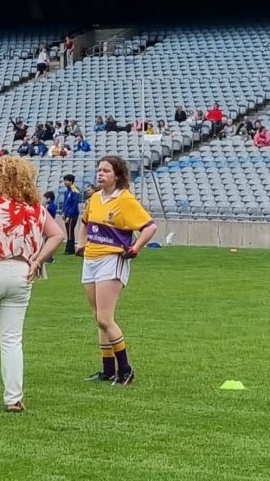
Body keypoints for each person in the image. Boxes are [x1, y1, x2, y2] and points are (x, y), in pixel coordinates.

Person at [0, 156, 64, 413]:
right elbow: (58, 235)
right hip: (22, 271)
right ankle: (13, 397)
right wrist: (38, 260)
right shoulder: (35, 207)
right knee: (12, 339)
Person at [76, 156, 157, 386]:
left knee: (105, 317)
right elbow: (85, 222)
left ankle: (126, 369)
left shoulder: (125, 200)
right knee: (98, 318)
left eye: (106, 171)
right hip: (91, 259)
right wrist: (81, 244)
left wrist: (135, 247)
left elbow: (150, 226)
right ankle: (108, 369)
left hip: (111, 259)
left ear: (117, 175)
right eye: (99, 170)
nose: (100, 174)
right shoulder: (94, 198)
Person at [61, 173, 80, 254]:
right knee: (68, 231)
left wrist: (69, 215)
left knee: (70, 230)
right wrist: (63, 212)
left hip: (73, 214)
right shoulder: (66, 192)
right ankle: (70, 249)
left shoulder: (74, 191)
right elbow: (65, 203)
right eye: (64, 180)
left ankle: (69, 249)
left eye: (66, 180)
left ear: (71, 181)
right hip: (67, 214)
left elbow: (74, 205)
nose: (65, 182)